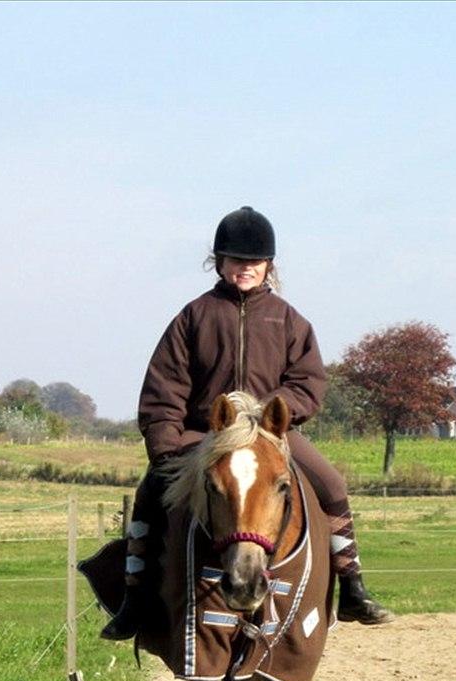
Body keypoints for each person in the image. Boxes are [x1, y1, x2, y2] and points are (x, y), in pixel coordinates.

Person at [102, 205, 393, 640]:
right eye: (236, 260)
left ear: (268, 266)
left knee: (332, 484)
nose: (245, 269)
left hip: (273, 433)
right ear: (219, 262)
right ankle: (136, 597)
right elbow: (165, 388)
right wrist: (166, 448)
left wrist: (273, 413)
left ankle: (351, 586)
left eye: (254, 262)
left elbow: (308, 381)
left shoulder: (289, 320)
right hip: (207, 433)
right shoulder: (193, 317)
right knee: (150, 491)